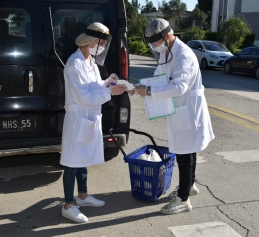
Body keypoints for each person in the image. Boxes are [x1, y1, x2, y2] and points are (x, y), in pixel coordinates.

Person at [132, 18, 215, 215]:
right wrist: (136, 89)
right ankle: (190, 185)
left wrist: (149, 91)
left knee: (185, 155)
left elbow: (179, 87)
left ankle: (183, 199)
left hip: (189, 110)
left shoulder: (184, 55)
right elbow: (158, 77)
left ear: (167, 36)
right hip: (179, 110)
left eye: (156, 43)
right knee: (187, 149)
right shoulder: (167, 53)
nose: (154, 47)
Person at [60, 22, 127, 223]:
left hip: (88, 118)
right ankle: (68, 205)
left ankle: (82, 196)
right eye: (100, 43)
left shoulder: (90, 62)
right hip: (78, 118)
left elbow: (93, 85)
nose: (103, 47)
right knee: (72, 162)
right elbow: (83, 96)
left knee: (83, 159)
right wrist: (109, 91)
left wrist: (107, 83)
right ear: (90, 41)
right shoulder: (74, 63)